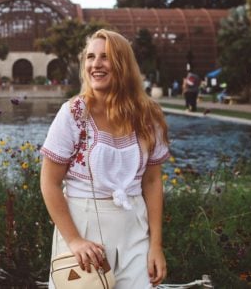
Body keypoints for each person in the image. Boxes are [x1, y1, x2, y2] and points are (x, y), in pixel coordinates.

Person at [40, 29, 170, 288]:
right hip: (82, 229)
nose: (95, 64)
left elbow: (153, 183)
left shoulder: (148, 115)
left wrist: (156, 245)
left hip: (134, 228)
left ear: (123, 64)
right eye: (90, 57)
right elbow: (49, 183)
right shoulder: (74, 113)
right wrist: (75, 241)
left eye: (105, 57)